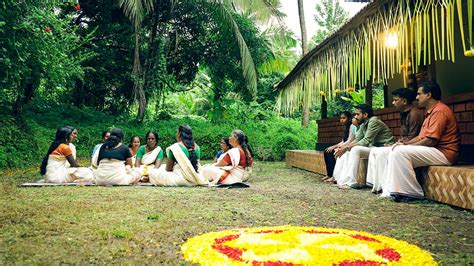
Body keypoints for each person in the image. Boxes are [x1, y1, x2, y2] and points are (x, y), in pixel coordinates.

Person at [385, 81, 460, 201]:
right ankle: (395, 190)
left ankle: (411, 192)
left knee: (400, 152)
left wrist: (406, 146)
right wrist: (404, 143)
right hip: (434, 150)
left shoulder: (440, 110)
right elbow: (420, 137)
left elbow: (430, 141)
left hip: (444, 153)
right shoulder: (430, 112)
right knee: (398, 149)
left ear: (429, 95)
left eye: (419, 94)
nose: (416, 97)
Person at [367, 88, 424, 194]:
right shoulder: (404, 113)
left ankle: (389, 188)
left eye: (395, 100)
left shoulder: (414, 113)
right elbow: (404, 136)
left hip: (414, 146)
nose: (393, 103)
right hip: (406, 144)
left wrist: (398, 144)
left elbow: (413, 136)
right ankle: (379, 185)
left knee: (382, 152)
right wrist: (394, 144)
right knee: (376, 151)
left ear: (404, 101)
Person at [333, 104, 395, 189]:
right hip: (374, 147)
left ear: (365, 115)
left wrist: (347, 147)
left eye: (358, 114)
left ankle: (349, 182)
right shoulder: (363, 124)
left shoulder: (373, 121)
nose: (355, 116)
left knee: (355, 149)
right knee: (350, 150)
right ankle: (345, 181)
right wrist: (344, 147)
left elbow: (366, 141)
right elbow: (357, 139)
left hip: (385, 147)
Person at [322, 111, 357, 183]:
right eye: (341, 118)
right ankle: (329, 174)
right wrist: (333, 146)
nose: (342, 120)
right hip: (345, 145)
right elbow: (342, 141)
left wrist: (337, 147)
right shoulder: (346, 127)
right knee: (327, 151)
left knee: (331, 152)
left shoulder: (352, 126)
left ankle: (333, 176)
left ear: (349, 118)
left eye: (344, 118)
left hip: (350, 146)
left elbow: (349, 141)